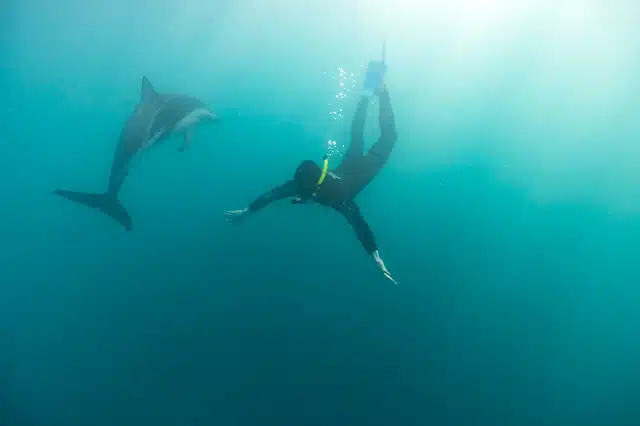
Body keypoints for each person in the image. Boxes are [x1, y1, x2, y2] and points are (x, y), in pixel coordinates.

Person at [225, 65, 398, 284]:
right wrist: (247, 211)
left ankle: (376, 92)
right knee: (358, 135)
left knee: (385, 137)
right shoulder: (303, 184)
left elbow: (360, 225)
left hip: (359, 171)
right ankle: (371, 93)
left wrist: (376, 257)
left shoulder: (337, 197)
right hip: (348, 168)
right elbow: (274, 194)